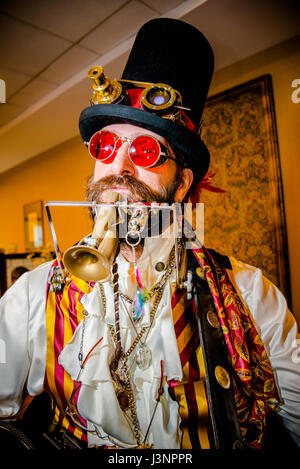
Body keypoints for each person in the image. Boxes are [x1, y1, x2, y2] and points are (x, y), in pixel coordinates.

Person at [0, 18, 299, 450]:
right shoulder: (32, 295)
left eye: (145, 151)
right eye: (105, 147)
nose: (119, 169)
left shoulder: (250, 294)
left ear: (180, 185)